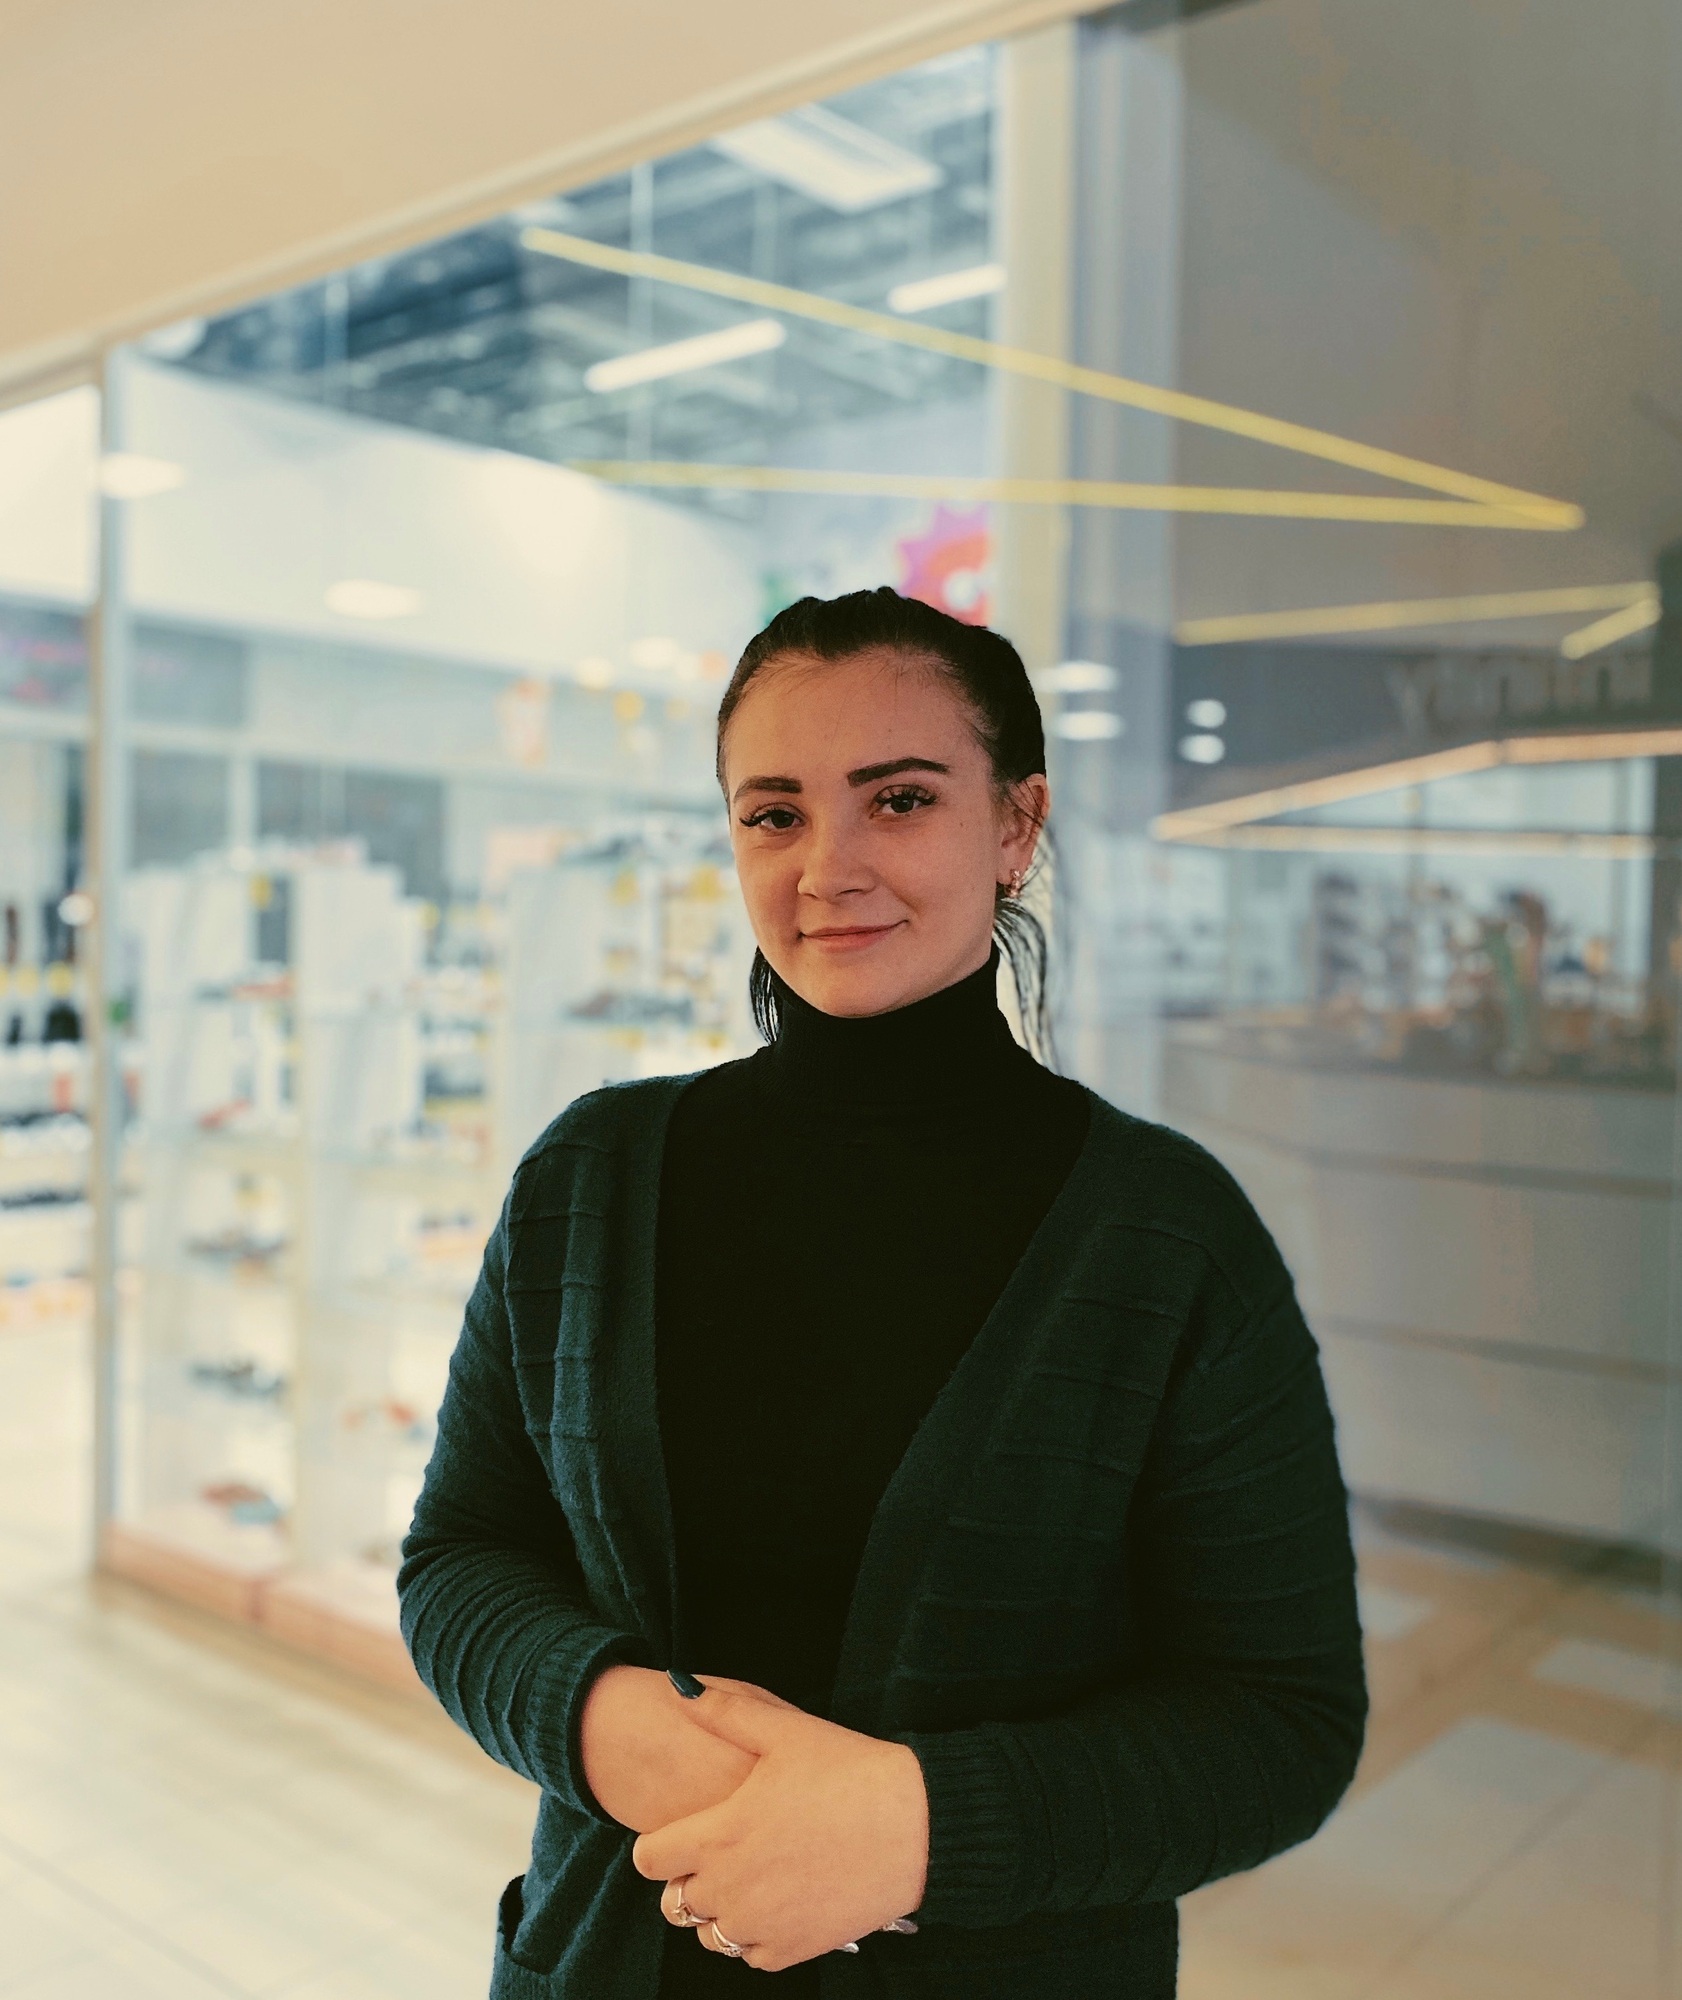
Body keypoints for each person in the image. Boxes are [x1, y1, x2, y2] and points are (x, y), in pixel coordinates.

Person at [398, 587, 1367, 1999]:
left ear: (1015, 826)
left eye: (898, 801)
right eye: (773, 814)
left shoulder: (1165, 1236)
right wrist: (603, 1718)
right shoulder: (591, 1176)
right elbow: (461, 1557)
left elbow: (1279, 1722)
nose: (827, 867)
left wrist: (915, 1831)